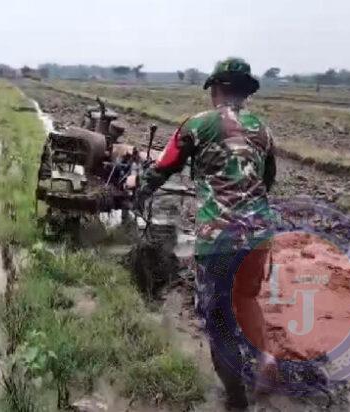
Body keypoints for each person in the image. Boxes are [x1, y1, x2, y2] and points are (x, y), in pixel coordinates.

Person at [135, 57, 277, 410]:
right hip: (259, 235)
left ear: (215, 89)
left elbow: (164, 166)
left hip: (220, 240)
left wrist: (138, 192)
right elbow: (267, 181)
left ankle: (234, 400)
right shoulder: (263, 130)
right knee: (245, 299)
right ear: (245, 92)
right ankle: (266, 357)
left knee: (218, 319)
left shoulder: (198, 125)